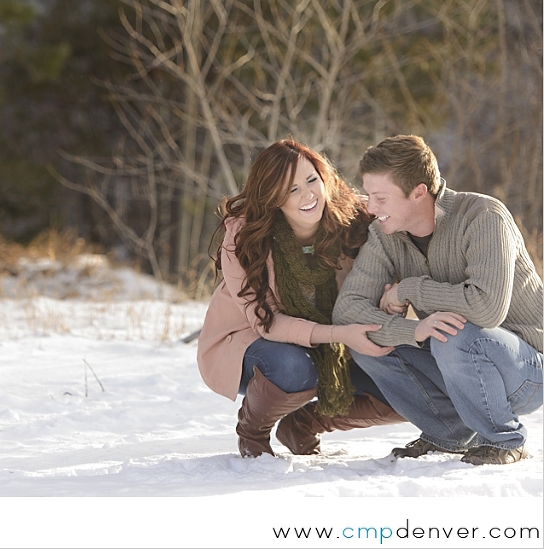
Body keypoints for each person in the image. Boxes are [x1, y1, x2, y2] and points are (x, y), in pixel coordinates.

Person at [333, 134, 543, 466]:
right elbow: (347, 312)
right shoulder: (384, 235)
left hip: (527, 367)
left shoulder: (483, 216)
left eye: (381, 197)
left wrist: (410, 289)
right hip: (456, 360)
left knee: (451, 333)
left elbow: (486, 308)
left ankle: (504, 440)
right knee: (365, 342)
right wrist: (412, 331)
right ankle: (448, 433)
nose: (371, 208)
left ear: (418, 192)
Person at [196, 138, 407, 459]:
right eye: (290, 188)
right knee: (294, 369)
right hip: (249, 345)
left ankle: (304, 424)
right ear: (271, 196)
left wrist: (392, 302)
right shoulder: (244, 238)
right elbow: (266, 321)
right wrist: (338, 334)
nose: (307, 194)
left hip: (336, 343)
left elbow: (409, 211)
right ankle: (253, 432)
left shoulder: (355, 219)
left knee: (408, 392)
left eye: (311, 180)